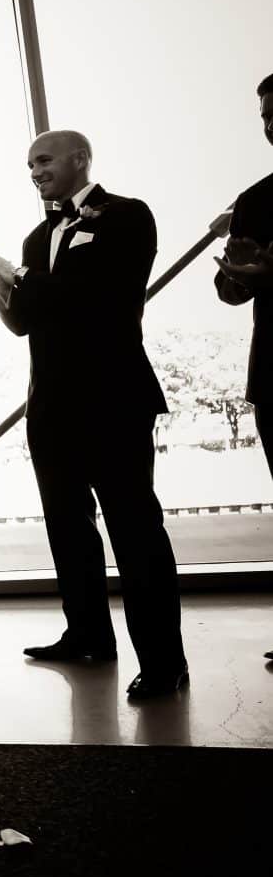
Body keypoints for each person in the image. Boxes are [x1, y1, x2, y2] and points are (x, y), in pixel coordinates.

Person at [0, 130, 187, 699]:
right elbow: (24, 320)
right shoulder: (34, 236)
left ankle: (165, 661)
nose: (35, 170)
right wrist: (3, 286)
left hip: (114, 400)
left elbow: (94, 295)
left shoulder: (127, 216)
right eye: (29, 164)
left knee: (135, 530)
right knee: (68, 529)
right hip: (50, 406)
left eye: (43, 160)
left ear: (79, 160)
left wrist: (21, 280)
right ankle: (88, 635)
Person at [210, 72, 273, 663]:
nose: (271, 125)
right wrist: (237, 274)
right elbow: (229, 293)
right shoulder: (256, 200)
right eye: (265, 116)